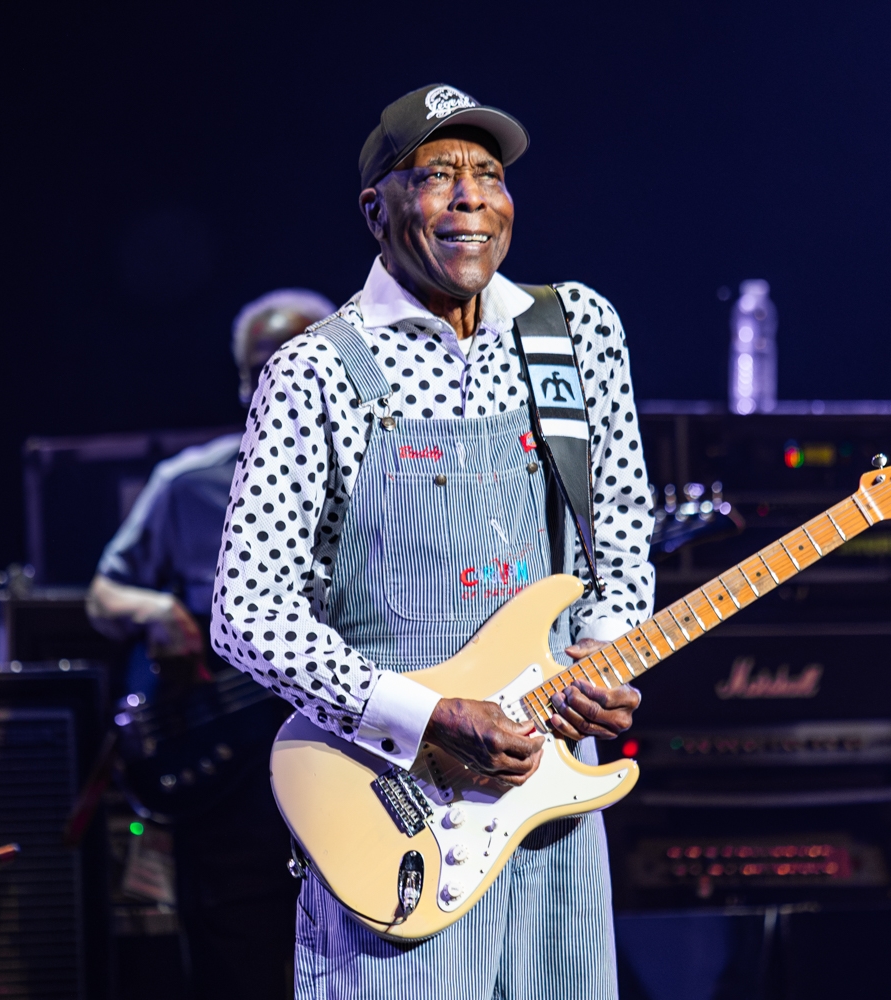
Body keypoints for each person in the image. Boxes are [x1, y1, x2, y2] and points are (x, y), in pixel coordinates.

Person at [209, 84, 655, 999]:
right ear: (376, 208)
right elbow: (246, 611)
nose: (472, 199)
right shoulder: (321, 369)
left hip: (550, 806)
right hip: (398, 811)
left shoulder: (574, 332)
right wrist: (425, 719)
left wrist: (605, 653)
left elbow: (620, 527)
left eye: (489, 174)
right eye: (438, 175)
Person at [87, 287, 335, 998]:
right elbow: (104, 593)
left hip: (340, 757)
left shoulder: (389, 477)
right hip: (228, 765)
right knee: (236, 954)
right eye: (263, 366)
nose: (279, 380)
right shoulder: (188, 483)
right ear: (240, 380)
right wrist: (158, 610)